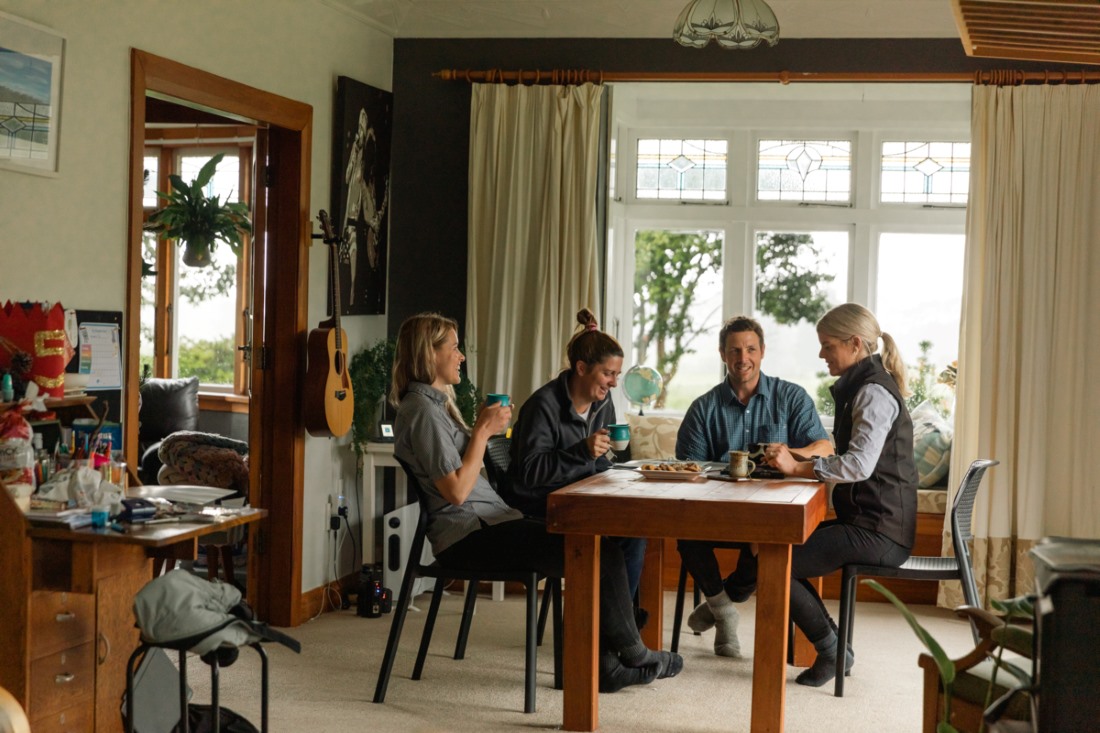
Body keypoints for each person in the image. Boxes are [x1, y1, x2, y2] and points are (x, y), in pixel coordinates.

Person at [390, 312, 681, 692]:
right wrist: (481, 431)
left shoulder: (436, 404)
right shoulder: (421, 411)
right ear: (429, 353)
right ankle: (635, 655)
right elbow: (457, 492)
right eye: (454, 347)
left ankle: (611, 661)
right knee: (597, 551)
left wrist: (480, 430)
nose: (461, 356)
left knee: (604, 545)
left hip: (493, 522)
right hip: (469, 536)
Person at [765, 303, 918, 686]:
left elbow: (859, 467)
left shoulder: (872, 393)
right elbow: (853, 455)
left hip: (881, 532)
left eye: (827, 345)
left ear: (854, 344)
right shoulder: (866, 387)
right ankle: (833, 646)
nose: (821, 354)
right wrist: (799, 455)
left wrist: (799, 468)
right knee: (772, 551)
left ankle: (833, 651)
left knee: (777, 564)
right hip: (872, 522)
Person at [675, 315, 833, 658]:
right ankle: (725, 611)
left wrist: (789, 454)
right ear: (722, 354)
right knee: (684, 531)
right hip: (716, 509)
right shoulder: (703, 408)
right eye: (734, 350)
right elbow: (691, 469)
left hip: (770, 512)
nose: (742, 357)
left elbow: (825, 448)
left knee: (768, 541)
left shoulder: (790, 397)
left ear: (762, 352)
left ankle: (719, 603)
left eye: (750, 349)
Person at [507, 309, 648, 607]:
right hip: (541, 506)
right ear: (582, 368)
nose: (612, 384)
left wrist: (620, 476)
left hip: (579, 497)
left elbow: (596, 463)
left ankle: (617, 633)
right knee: (627, 536)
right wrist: (582, 452)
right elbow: (531, 473)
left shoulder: (601, 402)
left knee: (636, 527)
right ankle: (618, 635)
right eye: (607, 374)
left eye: (616, 376)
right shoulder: (542, 406)